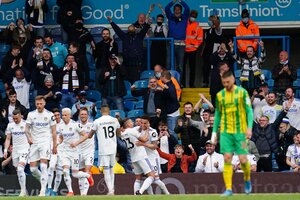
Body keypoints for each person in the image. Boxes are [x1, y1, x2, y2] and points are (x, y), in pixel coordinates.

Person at [211, 71, 253, 196]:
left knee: (243, 159)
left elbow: (249, 112)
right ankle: (229, 189)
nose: (226, 85)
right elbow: (218, 114)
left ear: (233, 79)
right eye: (224, 83)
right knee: (227, 158)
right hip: (226, 132)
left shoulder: (242, 93)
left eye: (228, 82)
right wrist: (214, 132)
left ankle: (247, 179)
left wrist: (249, 128)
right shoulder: (220, 95)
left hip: (241, 133)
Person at [82, 105, 120, 195]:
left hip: (104, 148)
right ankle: (112, 189)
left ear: (100, 111)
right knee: (111, 169)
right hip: (113, 147)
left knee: (106, 169)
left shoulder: (97, 121)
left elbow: (90, 135)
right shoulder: (115, 120)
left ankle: (110, 190)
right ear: (109, 111)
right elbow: (118, 133)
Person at [25, 95, 57, 196]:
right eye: (37, 104)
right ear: (35, 104)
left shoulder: (50, 114)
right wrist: (29, 138)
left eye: (41, 103)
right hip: (34, 143)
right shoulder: (31, 114)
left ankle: (42, 190)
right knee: (33, 169)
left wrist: (54, 145)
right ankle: (45, 182)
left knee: (43, 165)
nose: (39, 105)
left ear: (44, 103)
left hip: (45, 142)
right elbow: (26, 129)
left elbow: (54, 131)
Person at [57, 108, 93, 196]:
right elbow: (61, 137)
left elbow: (85, 135)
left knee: (75, 174)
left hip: (75, 153)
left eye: (65, 115)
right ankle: (70, 191)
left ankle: (87, 175)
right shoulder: (60, 126)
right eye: (63, 115)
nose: (64, 117)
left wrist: (76, 143)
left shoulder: (75, 125)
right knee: (65, 171)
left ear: (70, 116)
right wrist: (56, 143)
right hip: (65, 152)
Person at [107, 16, 150, 84]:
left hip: (137, 65)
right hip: (126, 65)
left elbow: (144, 29)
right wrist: (111, 22)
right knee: (126, 82)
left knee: (135, 83)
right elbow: (117, 30)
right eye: (130, 30)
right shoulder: (125, 37)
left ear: (135, 30)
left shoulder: (139, 36)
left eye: (132, 30)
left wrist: (149, 23)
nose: (131, 31)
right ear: (128, 30)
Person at [120, 118, 155, 195]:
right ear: (128, 124)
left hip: (133, 157)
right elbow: (144, 139)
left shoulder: (123, 134)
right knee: (152, 176)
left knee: (138, 178)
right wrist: (147, 130)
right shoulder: (132, 131)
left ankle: (135, 195)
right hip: (141, 155)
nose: (133, 122)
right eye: (131, 122)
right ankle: (140, 191)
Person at [135, 116, 169, 194]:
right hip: (144, 157)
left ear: (149, 123)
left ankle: (168, 194)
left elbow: (154, 146)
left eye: (145, 123)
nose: (143, 125)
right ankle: (151, 196)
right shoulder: (138, 131)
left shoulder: (152, 132)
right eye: (142, 123)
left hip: (153, 157)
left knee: (156, 179)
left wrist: (142, 144)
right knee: (147, 178)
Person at [4, 109, 30, 196]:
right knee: (18, 171)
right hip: (15, 150)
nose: (15, 120)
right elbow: (8, 139)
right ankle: (24, 191)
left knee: (20, 168)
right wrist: (5, 149)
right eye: (14, 118)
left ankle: (22, 191)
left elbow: (31, 137)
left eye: (17, 118)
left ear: (20, 116)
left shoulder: (26, 124)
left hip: (25, 149)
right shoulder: (10, 125)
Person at [201, 14, 229, 87]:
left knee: (217, 68)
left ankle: (219, 82)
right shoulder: (207, 32)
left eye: (212, 20)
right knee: (205, 68)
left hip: (216, 52)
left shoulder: (218, 30)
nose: (210, 22)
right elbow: (205, 42)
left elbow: (217, 28)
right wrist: (202, 52)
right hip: (207, 53)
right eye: (210, 20)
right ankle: (205, 82)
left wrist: (216, 22)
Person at [165, 0, 190, 76]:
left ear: (181, 11)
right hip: (171, 44)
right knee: (169, 64)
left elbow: (187, 8)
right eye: (175, 9)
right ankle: (168, 82)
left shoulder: (184, 17)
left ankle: (178, 83)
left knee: (180, 66)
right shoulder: (170, 16)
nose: (177, 11)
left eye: (178, 10)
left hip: (181, 45)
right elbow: (166, 8)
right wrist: (173, 2)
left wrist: (180, 1)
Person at [77, 108, 95, 195]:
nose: (83, 116)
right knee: (80, 173)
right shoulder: (76, 126)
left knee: (87, 171)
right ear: (79, 115)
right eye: (82, 114)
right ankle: (82, 194)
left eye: (85, 114)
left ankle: (84, 194)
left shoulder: (92, 125)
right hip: (79, 152)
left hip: (89, 152)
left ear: (87, 115)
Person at [183, 10, 203, 88]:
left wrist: (195, 46)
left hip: (192, 51)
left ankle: (191, 85)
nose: (193, 17)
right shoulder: (184, 24)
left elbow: (200, 39)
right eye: (192, 15)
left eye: (194, 16)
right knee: (182, 68)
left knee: (192, 69)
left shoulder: (198, 27)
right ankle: (182, 84)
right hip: (183, 49)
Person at [159, 70, 180, 141]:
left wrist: (164, 90)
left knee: (172, 132)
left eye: (161, 77)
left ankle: (176, 148)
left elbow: (173, 97)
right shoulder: (169, 85)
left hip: (172, 113)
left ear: (163, 77)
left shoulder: (170, 87)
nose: (160, 79)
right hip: (172, 112)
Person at [47, 108, 64, 196]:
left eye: (58, 115)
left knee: (59, 171)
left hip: (62, 149)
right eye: (55, 116)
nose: (57, 117)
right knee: (51, 166)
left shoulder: (64, 124)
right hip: (53, 149)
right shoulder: (50, 125)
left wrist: (57, 144)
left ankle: (54, 190)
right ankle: (49, 188)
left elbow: (63, 137)